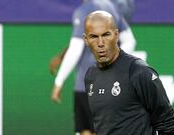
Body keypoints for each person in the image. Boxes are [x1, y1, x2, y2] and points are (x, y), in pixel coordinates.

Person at [84, 10, 174, 135]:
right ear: (86, 40)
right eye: (94, 37)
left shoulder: (138, 71)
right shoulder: (91, 75)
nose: (100, 43)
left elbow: (168, 124)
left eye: (106, 35)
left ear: (116, 35)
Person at [50, 0, 136, 135]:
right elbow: (129, 41)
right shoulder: (110, 8)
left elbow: (76, 48)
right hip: (107, 87)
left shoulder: (84, 11)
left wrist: (58, 82)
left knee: (87, 130)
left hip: (86, 86)